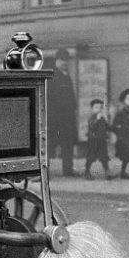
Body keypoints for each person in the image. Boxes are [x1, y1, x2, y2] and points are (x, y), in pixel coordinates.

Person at [47, 49, 79, 177]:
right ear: (56, 61)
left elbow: (71, 97)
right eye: (61, 60)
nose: (65, 63)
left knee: (67, 144)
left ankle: (68, 170)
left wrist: (73, 109)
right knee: (50, 145)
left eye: (66, 60)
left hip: (67, 118)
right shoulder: (53, 76)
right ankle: (44, 172)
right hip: (55, 118)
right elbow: (50, 98)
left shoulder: (67, 76)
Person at [84, 99, 115, 180]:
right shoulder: (91, 117)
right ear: (92, 109)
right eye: (96, 107)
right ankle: (87, 172)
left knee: (104, 157)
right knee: (90, 157)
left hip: (101, 140)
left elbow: (107, 127)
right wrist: (97, 119)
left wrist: (114, 128)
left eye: (100, 107)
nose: (98, 109)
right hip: (93, 140)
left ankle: (107, 173)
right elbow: (92, 126)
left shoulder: (102, 118)